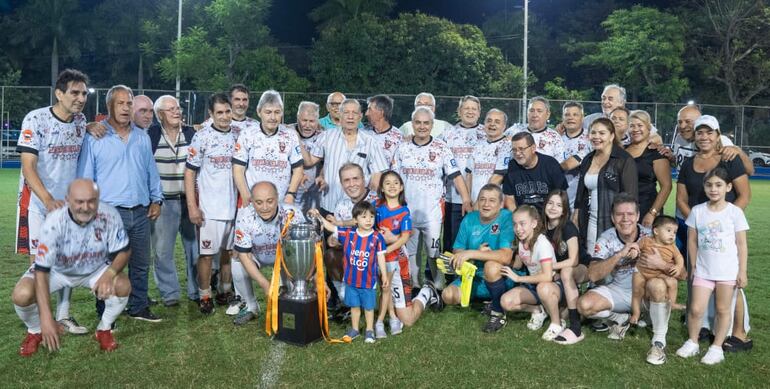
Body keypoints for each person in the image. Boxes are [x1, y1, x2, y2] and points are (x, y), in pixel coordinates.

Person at [12, 179, 131, 356]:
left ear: (99, 200)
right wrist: (46, 318)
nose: (86, 207)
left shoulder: (110, 214)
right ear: (68, 200)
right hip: (56, 271)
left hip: (93, 269)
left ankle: (103, 330)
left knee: (122, 285)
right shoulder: (53, 222)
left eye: (92, 201)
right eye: (79, 202)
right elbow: (42, 271)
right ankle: (34, 331)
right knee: (22, 294)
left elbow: (124, 251)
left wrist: (109, 274)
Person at [77, 84, 163, 322]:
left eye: (129, 103)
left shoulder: (141, 137)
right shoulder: (95, 137)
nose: (126, 108)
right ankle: (105, 311)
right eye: (120, 103)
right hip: (108, 213)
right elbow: (85, 177)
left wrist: (157, 199)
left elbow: (150, 172)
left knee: (140, 263)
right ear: (109, 107)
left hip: (140, 211)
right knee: (107, 265)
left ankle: (138, 307)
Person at [15, 69, 90, 334]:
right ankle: (38, 326)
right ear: (59, 93)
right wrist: (47, 200)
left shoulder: (81, 122)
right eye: (74, 93)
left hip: (68, 208)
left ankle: (64, 315)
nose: (80, 98)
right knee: (40, 265)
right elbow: (28, 167)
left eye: (83, 93)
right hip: (37, 205)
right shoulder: (35, 119)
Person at [675, 115, 752, 350]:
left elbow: (744, 195)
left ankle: (739, 333)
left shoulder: (729, 158)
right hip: (698, 229)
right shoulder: (689, 163)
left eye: (710, 133)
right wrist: (699, 222)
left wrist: (723, 220)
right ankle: (705, 327)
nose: (704, 137)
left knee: (731, 282)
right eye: (700, 133)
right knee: (701, 279)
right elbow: (681, 199)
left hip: (725, 233)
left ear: (718, 135)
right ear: (695, 137)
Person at [393, 106, 473, 289]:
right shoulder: (402, 148)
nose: (422, 126)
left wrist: (466, 199)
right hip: (407, 211)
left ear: (432, 125)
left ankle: (438, 286)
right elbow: (393, 179)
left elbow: (456, 175)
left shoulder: (441, 148)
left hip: (432, 213)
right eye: (418, 122)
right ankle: (414, 286)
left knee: (433, 251)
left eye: (426, 123)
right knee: (410, 252)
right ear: (412, 124)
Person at [676, 167, 749, 365]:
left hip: (727, 272)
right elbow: (692, 241)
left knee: (723, 309)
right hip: (703, 271)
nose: (713, 189)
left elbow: (741, 244)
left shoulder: (735, 213)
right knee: (696, 309)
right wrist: (693, 266)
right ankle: (692, 342)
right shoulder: (698, 211)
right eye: (709, 185)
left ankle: (717, 347)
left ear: (728, 187)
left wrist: (742, 271)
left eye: (718, 185)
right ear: (704, 187)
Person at [184, 93, 237, 315]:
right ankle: (205, 294)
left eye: (227, 111)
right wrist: (192, 206)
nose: (225, 117)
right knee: (206, 255)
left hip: (234, 207)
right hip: (210, 209)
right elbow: (189, 173)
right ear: (211, 114)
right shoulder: (202, 137)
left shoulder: (240, 135)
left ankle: (224, 290)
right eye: (220, 113)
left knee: (229, 252)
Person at [311, 202, 389, 344]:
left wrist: (384, 275)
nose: (368, 220)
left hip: (368, 282)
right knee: (354, 306)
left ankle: (370, 331)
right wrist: (318, 216)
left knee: (369, 308)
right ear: (355, 220)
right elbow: (331, 227)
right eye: (364, 217)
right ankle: (355, 329)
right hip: (351, 281)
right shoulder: (349, 234)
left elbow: (381, 257)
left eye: (371, 217)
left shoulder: (377, 238)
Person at [577, 194, 650, 342]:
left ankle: (658, 339)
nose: (625, 219)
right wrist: (619, 255)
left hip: (646, 292)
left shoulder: (650, 236)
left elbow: (680, 273)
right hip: (618, 290)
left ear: (637, 216)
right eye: (619, 214)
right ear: (612, 217)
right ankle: (621, 318)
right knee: (584, 305)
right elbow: (593, 275)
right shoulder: (606, 238)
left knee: (659, 286)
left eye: (630, 214)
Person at [147, 95, 199, 306]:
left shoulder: (191, 134)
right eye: (171, 109)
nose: (177, 112)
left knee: (194, 250)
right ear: (160, 115)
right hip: (164, 203)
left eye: (178, 108)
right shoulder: (151, 134)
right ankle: (170, 294)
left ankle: (197, 291)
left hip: (190, 201)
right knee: (162, 251)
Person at [231, 181, 305, 325]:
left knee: (287, 298)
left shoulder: (292, 214)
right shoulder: (244, 216)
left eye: (269, 201)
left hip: (285, 259)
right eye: (259, 202)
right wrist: (266, 285)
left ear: (278, 198)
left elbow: (303, 251)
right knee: (237, 259)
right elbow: (244, 256)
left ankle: (293, 294)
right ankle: (251, 306)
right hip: (256, 256)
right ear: (252, 201)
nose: (265, 207)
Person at [303, 98, 388, 217]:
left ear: (360, 116)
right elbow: (309, 161)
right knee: (329, 235)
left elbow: (377, 177)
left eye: (354, 113)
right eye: (346, 113)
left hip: (358, 210)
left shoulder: (371, 141)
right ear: (340, 115)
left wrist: (369, 205)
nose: (350, 117)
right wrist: (295, 137)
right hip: (329, 205)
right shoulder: (326, 136)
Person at [442, 184, 514, 316]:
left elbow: (506, 256)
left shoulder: (506, 217)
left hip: (501, 277)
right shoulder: (469, 219)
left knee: (491, 266)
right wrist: (474, 256)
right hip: (474, 277)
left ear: (501, 204)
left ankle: (498, 308)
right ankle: (486, 298)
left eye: (492, 200)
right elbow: (457, 252)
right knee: (448, 295)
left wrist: (473, 253)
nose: (486, 204)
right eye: (482, 199)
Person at [497, 205, 564, 341]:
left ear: (534, 223)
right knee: (506, 302)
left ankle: (557, 323)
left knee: (543, 287)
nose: (518, 229)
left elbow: (546, 276)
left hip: (552, 285)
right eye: (515, 224)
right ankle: (538, 310)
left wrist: (518, 278)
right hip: (534, 285)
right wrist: (500, 262)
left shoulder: (542, 243)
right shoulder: (521, 241)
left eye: (522, 224)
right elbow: (518, 264)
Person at [573, 118, 638, 253]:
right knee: (593, 261)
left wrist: (626, 226)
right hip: (590, 221)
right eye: (593, 133)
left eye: (602, 133)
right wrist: (576, 214)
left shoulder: (623, 160)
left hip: (613, 223)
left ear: (612, 136)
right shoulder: (588, 159)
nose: (597, 137)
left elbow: (630, 197)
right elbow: (581, 191)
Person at [233, 90, 304, 204]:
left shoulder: (290, 135)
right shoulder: (247, 134)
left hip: (281, 202)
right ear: (259, 112)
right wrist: (245, 194)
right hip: (254, 202)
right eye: (268, 112)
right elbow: (238, 169)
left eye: (277, 112)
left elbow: (298, 169)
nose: (273, 117)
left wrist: (291, 194)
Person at [540, 190, 590, 344]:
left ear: (564, 210)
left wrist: (550, 266)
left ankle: (575, 327)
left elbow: (573, 260)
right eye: (550, 203)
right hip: (558, 270)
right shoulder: (543, 227)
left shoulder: (568, 227)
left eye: (558, 205)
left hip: (582, 267)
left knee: (567, 272)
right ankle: (549, 313)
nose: (553, 208)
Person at [373, 171, 411, 338]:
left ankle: (426, 293)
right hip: (378, 255)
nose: (392, 186)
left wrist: (388, 249)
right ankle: (389, 318)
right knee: (384, 287)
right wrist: (339, 223)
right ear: (381, 187)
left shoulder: (404, 211)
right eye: (387, 183)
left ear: (401, 187)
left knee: (386, 287)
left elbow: (405, 237)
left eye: (396, 182)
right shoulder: (376, 206)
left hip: (396, 256)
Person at [441, 96, 479, 253]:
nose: (470, 112)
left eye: (474, 109)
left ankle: (476, 276)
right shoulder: (447, 135)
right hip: (454, 198)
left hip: (479, 199)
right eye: (466, 108)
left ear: (479, 112)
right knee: (452, 241)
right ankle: (450, 277)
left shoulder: (487, 132)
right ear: (459, 111)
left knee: (476, 241)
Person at [631, 215, 684, 326]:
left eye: (674, 232)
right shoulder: (646, 241)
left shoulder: (672, 246)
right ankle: (636, 313)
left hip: (659, 273)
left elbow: (679, 258)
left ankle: (672, 303)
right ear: (656, 231)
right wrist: (634, 251)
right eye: (668, 230)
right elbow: (636, 246)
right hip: (641, 272)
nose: (672, 235)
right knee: (637, 292)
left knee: (673, 282)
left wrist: (678, 266)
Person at [625, 110, 671, 226]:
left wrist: (653, 212)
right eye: (632, 126)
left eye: (640, 125)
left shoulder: (656, 153)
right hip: (624, 209)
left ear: (649, 128)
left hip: (647, 208)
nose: (635, 129)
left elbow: (666, 186)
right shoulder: (622, 151)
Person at [502, 132, 567, 211]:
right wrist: (518, 219)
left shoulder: (550, 164)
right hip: (523, 217)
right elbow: (509, 199)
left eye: (521, 149)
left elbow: (562, 196)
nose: (517, 153)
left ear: (533, 148)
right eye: (514, 150)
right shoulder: (512, 166)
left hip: (548, 215)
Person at [505, 96, 566, 162]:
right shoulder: (513, 131)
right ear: (527, 113)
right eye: (531, 110)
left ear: (548, 114)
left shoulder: (555, 139)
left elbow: (558, 166)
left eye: (539, 111)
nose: (535, 115)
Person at [471, 109, 510, 202]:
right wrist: (468, 200)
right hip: (474, 203)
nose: (492, 124)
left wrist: (480, 202)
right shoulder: (477, 145)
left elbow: (498, 177)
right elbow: (469, 174)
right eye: (489, 121)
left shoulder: (508, 145)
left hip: (492, 204)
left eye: (497, 122)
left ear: (504, 126)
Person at [291, 101, 323, 213]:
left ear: (318, 120)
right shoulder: (286, 132)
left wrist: (296, 138)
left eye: (312, 121)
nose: (308, 125)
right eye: (304, 120)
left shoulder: (323, 136)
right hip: (289, 192)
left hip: (313, 195)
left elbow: (308, 162)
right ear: (298, 118)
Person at [559, 102, 593, 209]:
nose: (571, 118)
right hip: (559, 193)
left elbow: (569, 164)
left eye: (575, 114)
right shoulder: (556, 138)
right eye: (567, 115)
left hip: (582, 195)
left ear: (582, 118)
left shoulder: (591, 137)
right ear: (563, 118)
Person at [365, 94, 403, 167]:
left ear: (381, 112)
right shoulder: (363, 133)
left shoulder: (399, 138)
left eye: (369, 109)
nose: (366, 114)